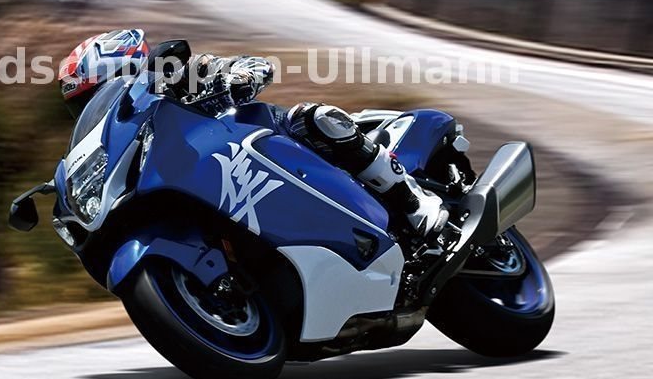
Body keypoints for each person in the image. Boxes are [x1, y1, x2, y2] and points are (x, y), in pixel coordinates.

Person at [58, 30, 448, 239]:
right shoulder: (129, 147)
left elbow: (255, 65)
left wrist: (237, 76)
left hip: (266, 141)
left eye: (106, 88)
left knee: (314, 118)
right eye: (87, 103)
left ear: (132, 69)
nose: (105, 104)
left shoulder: (184, 77)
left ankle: (411, 201)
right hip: (211, 179)